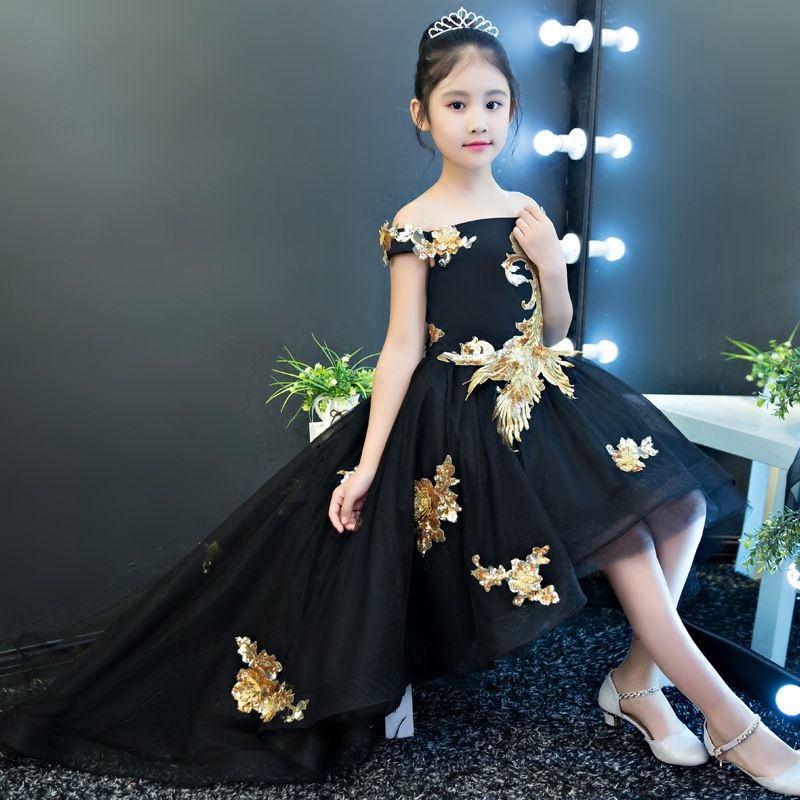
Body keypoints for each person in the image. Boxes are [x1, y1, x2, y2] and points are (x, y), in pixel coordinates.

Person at [0, 6, 798, 795]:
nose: (477, 120)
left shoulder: (525, 214)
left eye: (494, 103)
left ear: (512, 110)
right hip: (466, 425)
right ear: (422, 115)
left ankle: (635, 683)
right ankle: (736, 727)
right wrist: (367, 465)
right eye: (457, 103)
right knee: (626, 537)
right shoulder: (416, 224)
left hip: (544, 397)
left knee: (682, 508)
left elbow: (551, 331)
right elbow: (402, 348)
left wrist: (553, 268)